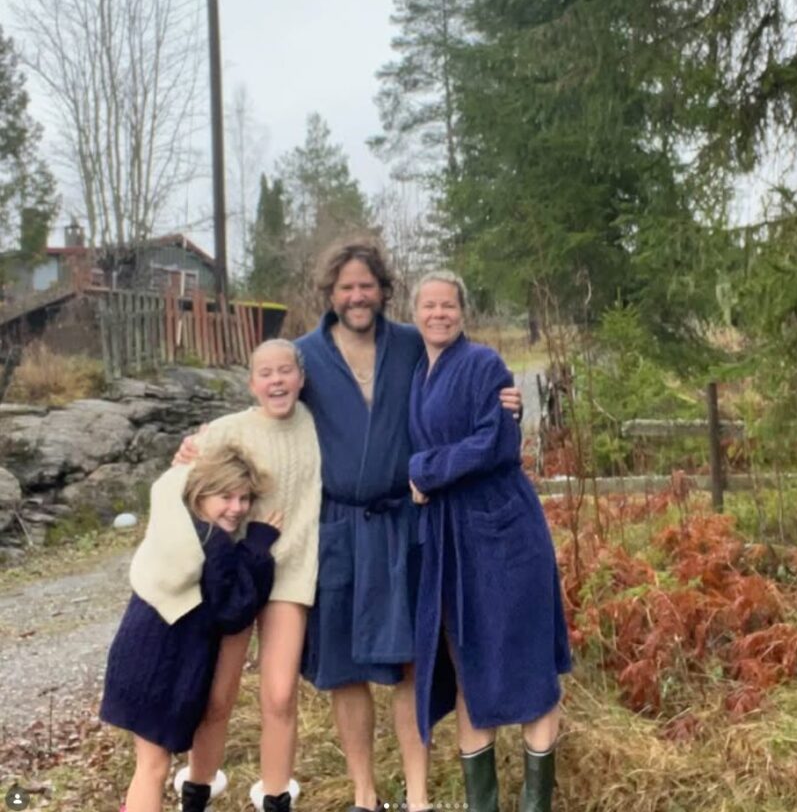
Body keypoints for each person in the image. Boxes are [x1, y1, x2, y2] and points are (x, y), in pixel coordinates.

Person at [178, 240, 520, 812]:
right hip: (336, 529)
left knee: (412, 663)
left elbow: (461, 383)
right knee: (344, 670)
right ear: (330, 294)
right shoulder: (307, 356)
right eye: (346, 288)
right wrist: (203, 440)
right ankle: (365, 795)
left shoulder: (411, 344)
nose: (357, 296)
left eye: (366, 286)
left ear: (383, 290)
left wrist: (504, 402)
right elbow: (268, 405)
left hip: (404, 523)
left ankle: (417, 798)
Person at [407, 270, 571, 812]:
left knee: (529, 665)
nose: (438, 314)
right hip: (452, 542)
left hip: (505, 534)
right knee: (468, 666)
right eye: (429, 305)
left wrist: (424, 470)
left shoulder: (484, 365)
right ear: (415, 313)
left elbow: (496, 443)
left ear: (463, 312)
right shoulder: (418, 373)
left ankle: (535, 805)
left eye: (448, 305)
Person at [175, 339, 321, 812]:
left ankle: (276, 797)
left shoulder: (320, 425)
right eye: (266, 373)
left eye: (285, 371)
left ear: (301, 378)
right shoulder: (227, 430)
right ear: (252, 383)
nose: (277, 381)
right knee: (218, 695)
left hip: (290, 572)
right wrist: (186, 453)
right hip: (236, 577)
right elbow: (184, 482)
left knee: (279, 695)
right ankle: (197, 790)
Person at [100, 444, 282, 812]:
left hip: (133, 663)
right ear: (200, 495)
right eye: (225, 497)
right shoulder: (213, 542)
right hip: (162, 674)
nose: (237, 508)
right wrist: (257, 547)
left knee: (146, 765)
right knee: (154, 768)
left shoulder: (175, 528)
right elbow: (232, 611)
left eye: (244, 498)